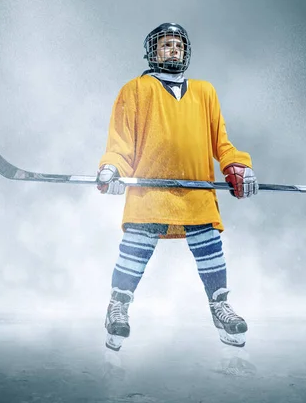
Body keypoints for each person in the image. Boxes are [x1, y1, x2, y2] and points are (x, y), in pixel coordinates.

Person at [97, 22, 258, 352]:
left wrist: (239, 168)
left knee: (209, 246)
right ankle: (118, 308)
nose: (174, 50)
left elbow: (222, 143)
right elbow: (122, 141)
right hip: (149, 193)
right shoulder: (136, 90)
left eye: (179, 45)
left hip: (195, 192)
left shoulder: (205, 92)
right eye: (166, 44)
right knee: (136, 247)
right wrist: (112, 168)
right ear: (153, 51)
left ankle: (220, 308)